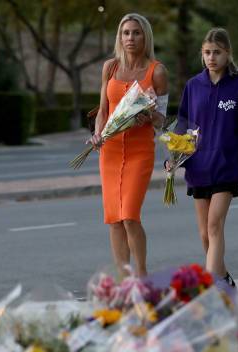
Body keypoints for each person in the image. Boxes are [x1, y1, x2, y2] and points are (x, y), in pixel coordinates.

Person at [176, 27, 238, 286]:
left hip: (227, 169)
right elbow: (182, 127)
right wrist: (174, 158)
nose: (211, 57)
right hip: (198, 169)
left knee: (215, 226)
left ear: (228, 54)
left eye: (217, 52)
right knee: (205, 234)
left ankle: (209, 288)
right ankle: (224, 279)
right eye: (207, 52)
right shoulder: (193, 86)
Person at [89, 13, 168, 278]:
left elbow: (162, 120)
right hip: (109, 151)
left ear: (146, 36)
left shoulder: (157, 71)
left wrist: (148, 114)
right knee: (114, 219)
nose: (130, 38)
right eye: (125, 33)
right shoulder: (109, 67)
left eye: (136, 33)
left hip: (139, 152)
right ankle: (124, 279)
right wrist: (98, 132)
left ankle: (141, 276)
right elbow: (103, 110)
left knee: (130, 216)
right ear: (119, 37)